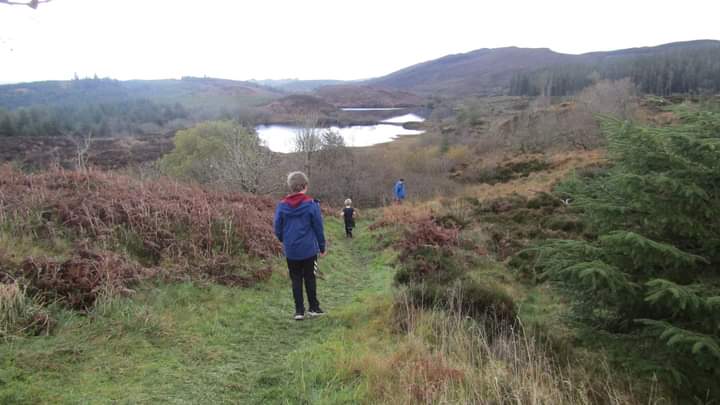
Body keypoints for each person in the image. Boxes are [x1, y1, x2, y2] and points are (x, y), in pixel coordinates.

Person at [273, 171, 326, 321]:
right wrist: (322, 247)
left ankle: (299, 311)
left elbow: (277, 227)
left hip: (291, 250)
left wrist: (284, 239)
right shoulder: (311, 205)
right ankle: (314, 308)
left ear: (290, 187)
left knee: (295, 278)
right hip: (309, 250)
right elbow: (318, 228)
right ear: (305, 186)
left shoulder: (282, 206)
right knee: (310, 277)